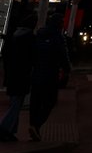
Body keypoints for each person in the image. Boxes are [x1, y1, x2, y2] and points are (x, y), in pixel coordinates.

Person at [27, 13, 71, 142]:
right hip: (50, 74)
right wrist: (67, 69)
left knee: (35, 102)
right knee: (50, 101)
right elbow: (63, 54)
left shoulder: (39, 35)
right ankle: (36, 125)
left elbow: (32, 54)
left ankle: (33, 125)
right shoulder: (58, 37)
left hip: (37, 73)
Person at [0, 10, 37, 143]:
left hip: (12, 74)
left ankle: (10, 131)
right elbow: (33, 58)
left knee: (15, 102)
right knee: (16, 105)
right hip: (22, 75)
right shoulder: (30, 38)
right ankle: (4, 128)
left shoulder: (15, 36)